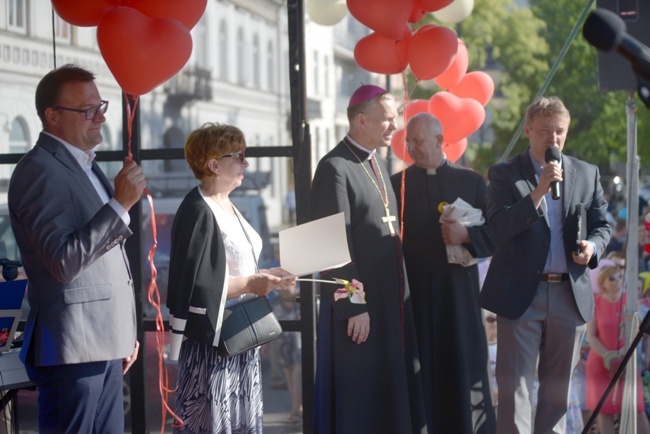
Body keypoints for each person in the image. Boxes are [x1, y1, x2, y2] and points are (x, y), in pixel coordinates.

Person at [8, 64, 145, 433]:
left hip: (104, 342)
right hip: (74, 347)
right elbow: (63, 261)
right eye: (88, 110)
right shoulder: (39, 170)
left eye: (100, 106)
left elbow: (104, 260)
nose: (100, 116)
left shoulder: (84, 166)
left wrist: (124, 330)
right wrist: (119, 206)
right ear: (53, 116)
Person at [479, 96, 611, 434]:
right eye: (545, 131)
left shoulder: (585, 172)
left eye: (560, 132)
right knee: (515, 391)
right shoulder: (504, 174)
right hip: (521, 294)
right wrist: (538, 191)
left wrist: (591, 247)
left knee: (557, 394)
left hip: (569, 293)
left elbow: (603, 224)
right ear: (528, 131)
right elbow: (497, 229)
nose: (553, 139)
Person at [310, 84, 427, 434]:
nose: (395, 127)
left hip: (388, 304)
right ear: (361, 120)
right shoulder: (335, 167)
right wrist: (354, 306)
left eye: (396, 119)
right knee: (359, 399)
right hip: (359, 310)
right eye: (387, 120)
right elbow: (329, 245)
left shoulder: (375, 162)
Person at [166, 122, 294, 433]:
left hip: (239, 337)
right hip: (213, 346)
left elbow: (230, 269)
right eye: (239, 156)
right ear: (213, 164)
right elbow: (193, 285)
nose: (245, 163)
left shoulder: (227, 204)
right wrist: (252, 283)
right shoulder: (197, 209)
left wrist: (265, 276)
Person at [390, 112, 496, 433]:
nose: (411, 148)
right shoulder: (397, 185)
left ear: (439, 140)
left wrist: (467, 236)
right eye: (408, 141)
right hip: (414, 301)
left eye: (418, 141)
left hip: (458, 302)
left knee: (460, 376)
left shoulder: (473, 182)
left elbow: (494, 236)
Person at [585, 265, 650, 434]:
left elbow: (641, 330)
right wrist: (608, 355)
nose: (617, 281)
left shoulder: (631, 299)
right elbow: (591, 336)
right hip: (601, 362)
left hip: (627, 361)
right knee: (604, 412)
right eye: (612, 278)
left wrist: (637, 355)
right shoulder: (596, 302)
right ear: (603, 283)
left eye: (619, 277)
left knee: (637, 409)